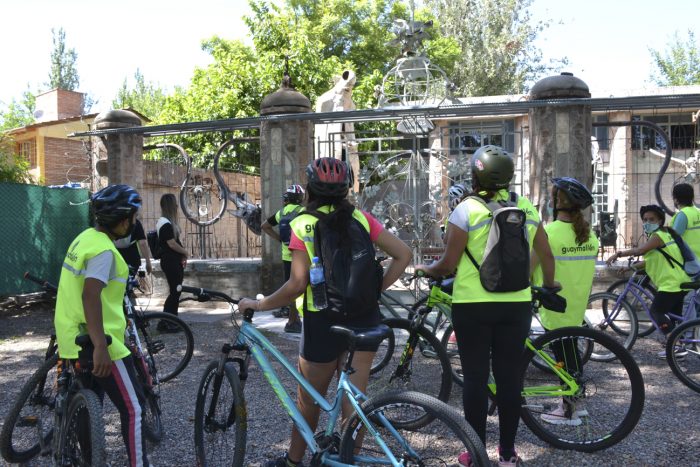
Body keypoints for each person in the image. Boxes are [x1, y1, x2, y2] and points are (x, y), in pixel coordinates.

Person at [239, 157, 412, 467]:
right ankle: (350, 460)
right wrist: (374, 292)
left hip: (321, 321)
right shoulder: (361, 218)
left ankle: (293, 461)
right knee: (353, 407)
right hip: (364, 319)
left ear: (309, 190)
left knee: (309, 400)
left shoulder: (302, 223)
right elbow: (404, 254)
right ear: (346, 190)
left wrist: (260, 304)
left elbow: (296, 285)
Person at [414, 145, 558, 467]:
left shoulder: (466, 209)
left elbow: (449, 264)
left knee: (476, 379)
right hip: (516, 306)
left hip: (473, 306)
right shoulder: (527, 209)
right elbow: (547, 255)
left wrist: (427, 269)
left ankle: (474, 453)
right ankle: (507, 454)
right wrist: (550, 285)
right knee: (509, 379)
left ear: (475, 174)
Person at [54, 184, 151, 467]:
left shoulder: (85, 238)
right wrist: (100, 347)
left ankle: (90, 461)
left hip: (73, 336)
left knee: (89, 406)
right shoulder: (104, 252)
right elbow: (90, 294)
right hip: (100, 341)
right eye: (133, 218)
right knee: (134, 409)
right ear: (123, 222)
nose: (134, 223)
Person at [531, 177, 598, 426]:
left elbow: (529, 268)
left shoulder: (548, 233)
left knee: (562, 359)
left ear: (558, 201)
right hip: (577, 304)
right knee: (571, 355)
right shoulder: (590, 235)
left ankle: (569, 411)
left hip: (554, 304)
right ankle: (574, 404)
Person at [607, 204, 691, 358]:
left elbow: (640, 251)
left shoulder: (658, 236)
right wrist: (631, 268)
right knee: (674, 317)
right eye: (645, 219)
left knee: (656, 312)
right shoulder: (666, 234)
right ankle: (679, 347)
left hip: (670, 284)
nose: (647, 222)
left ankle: (676, 345)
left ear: (660, 221)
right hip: (679, 281)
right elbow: (651, 260)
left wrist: (618, 254)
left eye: (651, 219)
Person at [261, 184, 305, 334]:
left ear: (286, 199)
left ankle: (293, 320)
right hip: (302, 255)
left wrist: (279, 238)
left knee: (291, 287)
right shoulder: (303, 212)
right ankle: (295, 319)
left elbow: (264, 226)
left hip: (287, 255)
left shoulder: (281, 213)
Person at [157, 193, 188, 329]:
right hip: (170, 261)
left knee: (176, 290)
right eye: (175, 204)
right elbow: (171, 244)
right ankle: (166, 321)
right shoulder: (165, 223)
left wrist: (182, 256)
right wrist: (185, 252)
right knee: (175, 290)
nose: (177, 206)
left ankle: (172, 320)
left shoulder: (168, 223)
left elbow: (176, 242)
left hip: (173, 260)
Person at [671, 182, 700, 258]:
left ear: (676, 200)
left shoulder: (683, 215)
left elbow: (673, 239)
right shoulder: (698, 211)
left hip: (690, 261)